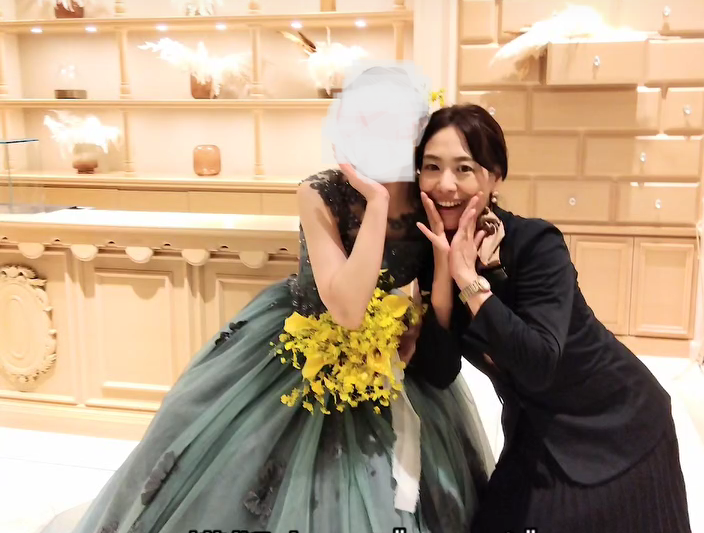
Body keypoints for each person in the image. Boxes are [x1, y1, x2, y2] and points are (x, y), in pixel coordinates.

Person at [37, 72, 494, 533]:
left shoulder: (426, 193)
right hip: (300, 344)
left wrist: (414, 322)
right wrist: (376, 203)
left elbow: (428, 281)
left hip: (387, 354)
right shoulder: (321, 191)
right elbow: (347, 308)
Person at [410, 103, 693, 533]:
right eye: (432, 167)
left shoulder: (535, 244)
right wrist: (443, 277)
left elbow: (539, 362)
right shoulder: (430, 251)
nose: (445, 184)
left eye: (464, 168)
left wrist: (469, 278)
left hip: (616, 427)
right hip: (535, 432)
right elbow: (440, 370)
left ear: (495, 177)